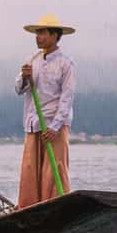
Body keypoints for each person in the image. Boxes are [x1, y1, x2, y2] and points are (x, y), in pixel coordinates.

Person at [14, 14, 76, 208]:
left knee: (54, 169)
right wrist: (25, 77)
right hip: (33, 123)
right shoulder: (33, 60)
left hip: (53, 125)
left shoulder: (66, 64)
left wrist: (56, 126)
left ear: (54, 35)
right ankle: (29, 207)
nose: (38, 37)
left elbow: (66, 98)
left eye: (42, 33)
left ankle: (57, 206)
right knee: (30, 169)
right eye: (37, 33)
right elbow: (19, 89)